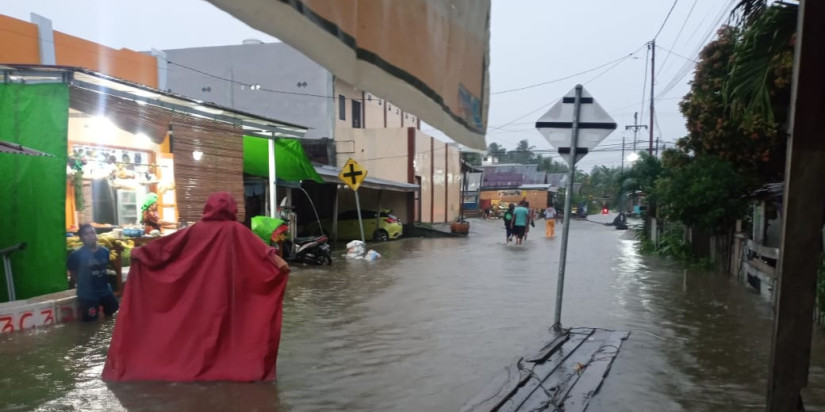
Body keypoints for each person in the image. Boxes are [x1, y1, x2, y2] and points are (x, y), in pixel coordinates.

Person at [103, 192, 290, 382]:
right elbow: (266, 256)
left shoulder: (196, 230)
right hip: (224, 295)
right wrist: (280, 267)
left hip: (198, 296)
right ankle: (225, 366)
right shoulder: (237, 230)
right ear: (232, 208)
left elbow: (166, 249)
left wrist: (140, 254)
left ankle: (196, 368)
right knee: (224, 332)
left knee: (198, 333)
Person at [67, 223, 119, 321]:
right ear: (81, 238)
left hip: (105, 290)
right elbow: (72, 271)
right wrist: (80, 283)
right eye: (86, 234)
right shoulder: (76, 255)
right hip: (88, 293)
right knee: (90, 322)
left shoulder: (105, 251)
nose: (90, 235)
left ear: (96, 235)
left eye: (92, 233)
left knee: (113, 314)